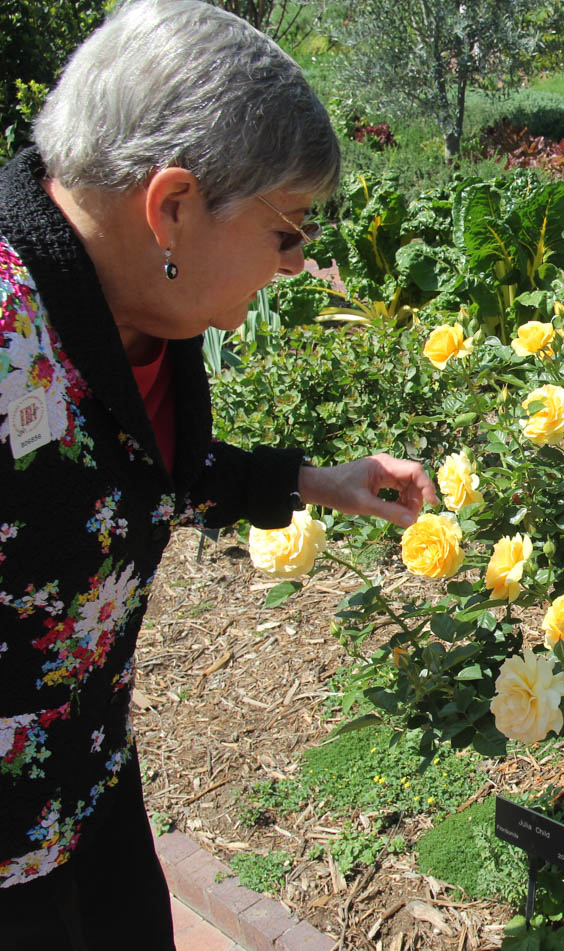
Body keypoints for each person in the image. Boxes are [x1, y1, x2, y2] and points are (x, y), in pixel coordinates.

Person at [0, 1, 437, 947]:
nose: (298, 261)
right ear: (172, 206)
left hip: (88, 784)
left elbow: (142, 474)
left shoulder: (140, 297)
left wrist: (320, 481)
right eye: (287, 230)